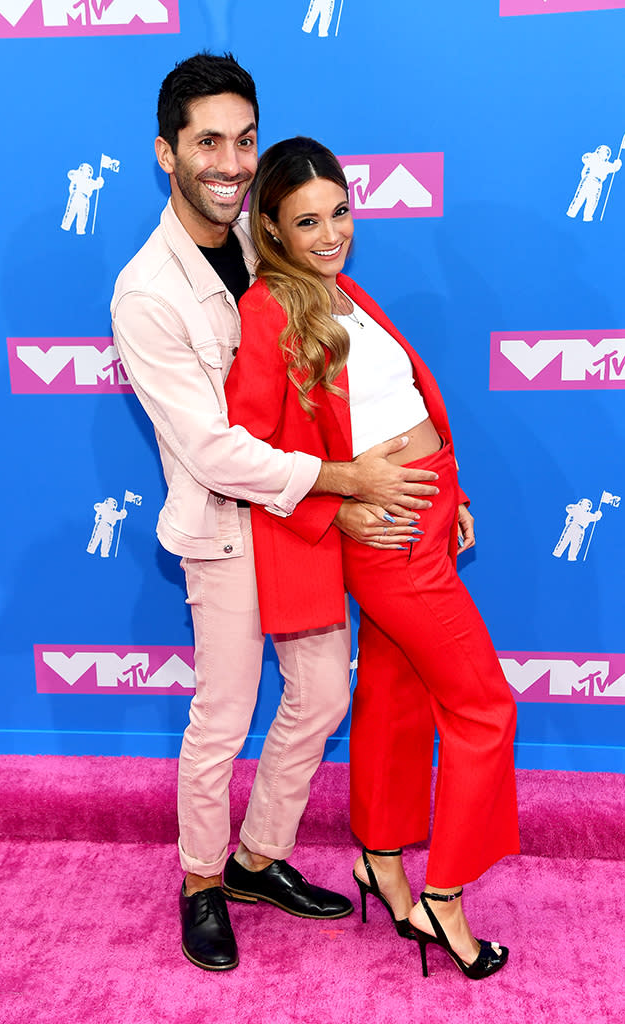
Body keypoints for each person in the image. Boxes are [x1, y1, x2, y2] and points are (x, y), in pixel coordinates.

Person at [110, 55, 439, 973]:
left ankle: (259, 857)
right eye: (207, 141)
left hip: (301, 523)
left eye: (244, 140)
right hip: (228, 524)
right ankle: (201, 880)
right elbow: (214, 449)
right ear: (166, 154)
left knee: (323, 694)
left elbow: (334, 374)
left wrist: (411, 481)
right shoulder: (146, 292)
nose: (231, 159)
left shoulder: (269, 240)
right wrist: (346, 480)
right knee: (222, 713)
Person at [225, 136, 520, 980]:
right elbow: (246, 446)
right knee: (483, 709)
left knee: (393, 697)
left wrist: (450, 489)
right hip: (386, 540)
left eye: (340, 213)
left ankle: (380, 860)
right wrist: (337, 507)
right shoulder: (269, 310)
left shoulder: (340, 290)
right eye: (306, 221)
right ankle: (445, 896)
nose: (329, 233)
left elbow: (398, 401)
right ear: (271, 230)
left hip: (424, 517)